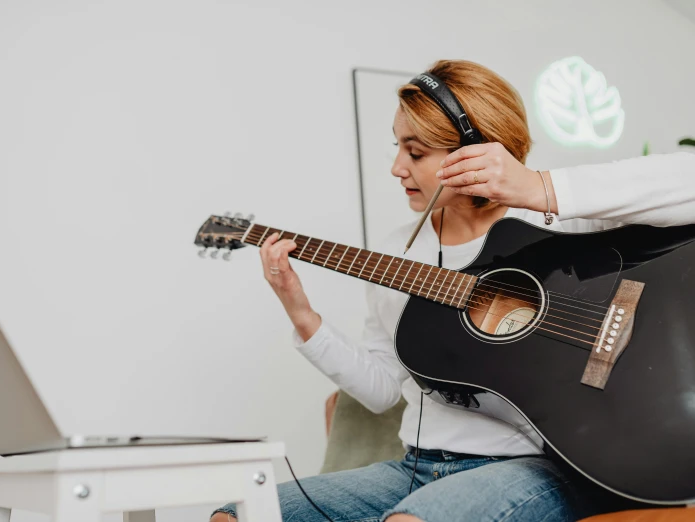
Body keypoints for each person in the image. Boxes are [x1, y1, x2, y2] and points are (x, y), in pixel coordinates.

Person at [210, 59, 695, 522]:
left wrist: (540, 187)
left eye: (415, 152)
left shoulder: (557, 219)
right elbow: (381, 391)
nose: (397, 167)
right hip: (414, 466)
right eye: (398, 147)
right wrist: (299, 311)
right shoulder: (398, 251)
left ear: (473, 149)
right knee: (237, 514)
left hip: (529, 467)